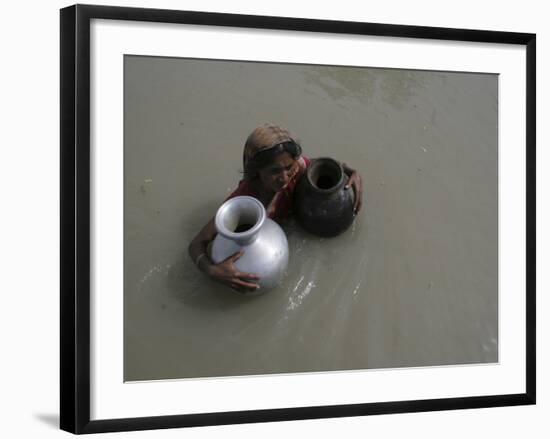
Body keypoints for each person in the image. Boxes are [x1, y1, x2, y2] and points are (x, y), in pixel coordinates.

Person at [188, 123, 363, 292]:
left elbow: (320, 164)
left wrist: (349, 172)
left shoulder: (298, 167)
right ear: (257, 171)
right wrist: (212, 271)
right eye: (274, 171)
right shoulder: (245, 201)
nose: (284, 178)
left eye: (288, 167)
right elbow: (196, 244)